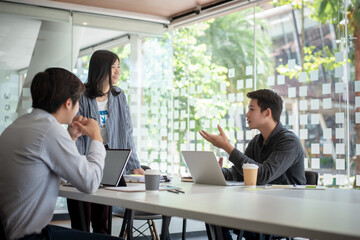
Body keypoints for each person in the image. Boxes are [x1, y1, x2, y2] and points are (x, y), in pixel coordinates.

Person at [0, 68, 119, 240]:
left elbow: (50, 171)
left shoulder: (20, 124)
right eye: (78, 102)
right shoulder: (49, 130)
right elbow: (90, 182)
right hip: (30, 237)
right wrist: (96, 137)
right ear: (68, 103)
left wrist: (71, 137)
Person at [199, 89, 306, 240]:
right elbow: (239, 173)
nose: (247, 114)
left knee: (245, 223)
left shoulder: (289, 142)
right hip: (259, 207)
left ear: (267, 113)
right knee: (213, 213)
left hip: (284, 212)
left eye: (251, 109)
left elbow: (262, 175)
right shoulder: (256, 141)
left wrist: (227, 147)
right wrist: (215, 172)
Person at [67, 49, 144, 234]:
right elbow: (74, 130)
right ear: (101, 69)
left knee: (103, 220)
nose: (118, 71)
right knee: (82, 219)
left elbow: (127, 132)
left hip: (111, 158)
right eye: (113, 67)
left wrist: (134, 164)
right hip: (84, 158)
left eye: (119, 67)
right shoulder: (81, 96)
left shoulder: (119, 95)